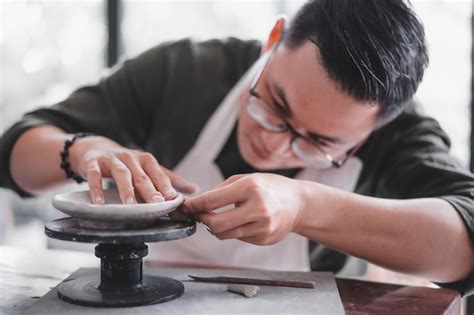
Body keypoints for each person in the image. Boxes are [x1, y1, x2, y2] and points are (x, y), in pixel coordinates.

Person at [1, 0, 473, 293]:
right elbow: (13, 157)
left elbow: (465, 238)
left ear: (374, 131)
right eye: (275, 104)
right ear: (273, 40)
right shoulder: (181, 70)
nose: (271, 143)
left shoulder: (402, 133)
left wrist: (305, 206)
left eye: (317, 141)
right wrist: (84, 150)